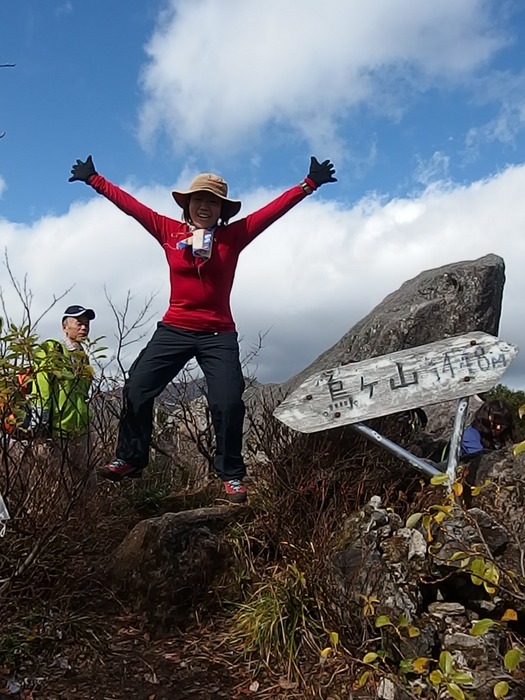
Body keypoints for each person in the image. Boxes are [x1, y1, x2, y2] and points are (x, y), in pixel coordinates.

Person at [68, 155, 337, 502]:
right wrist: (94, 179)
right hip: (175, 327)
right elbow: (133, 208)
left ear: (222, 209)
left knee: (227, 402)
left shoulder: (233, 237)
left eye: (213, 201)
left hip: (218, 334)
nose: (205, 206)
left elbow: (271, 212)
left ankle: (232, 476)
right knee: (136, 387)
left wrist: (308, 184)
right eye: (199, 200)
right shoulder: (168, 231)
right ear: (188, 204)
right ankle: (131, 459)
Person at [30, 305, 96, 500]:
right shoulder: (52, 349)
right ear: (65, 327)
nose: (84, 328)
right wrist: (40, 417)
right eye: (79, 323)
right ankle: (48, 526)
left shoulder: (83, 356)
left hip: (80, 430)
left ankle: (87, 522)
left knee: (85, 483)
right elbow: (41, 384)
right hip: (53, 430)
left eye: (86, 324)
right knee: (51, 486)